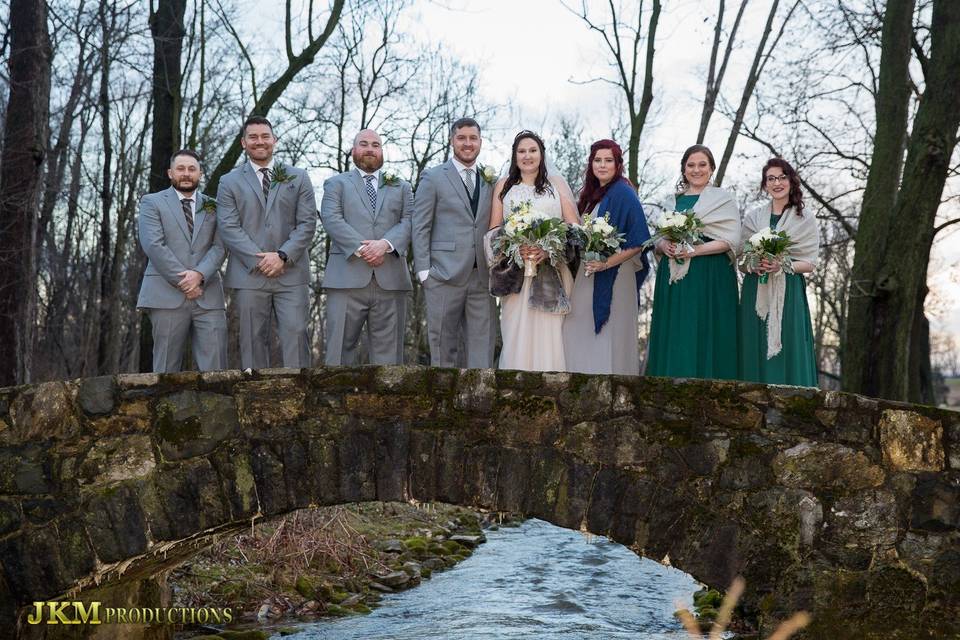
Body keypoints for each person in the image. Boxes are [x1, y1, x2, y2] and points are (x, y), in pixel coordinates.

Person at [216, 115, 318, 370]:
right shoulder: (228, 182)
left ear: (275, 140)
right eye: (253, 137)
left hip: (291, 273)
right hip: (249, 274)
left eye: (265, 136)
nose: (259, 141)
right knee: (251, 339)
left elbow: (307, 224)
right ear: (243, 142)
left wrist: (282, 256)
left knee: (296, 335)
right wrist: (259, 260)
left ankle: (299, 394)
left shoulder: (299, 177)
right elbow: (229, 227)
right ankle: (255, 397)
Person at [645, 144, 740, 379]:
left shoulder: (723, 200)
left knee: (706, 327)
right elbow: (656, 238)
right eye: (691, 165)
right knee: (678, 328)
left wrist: (694, 251)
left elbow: (731, 240)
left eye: (702, 165)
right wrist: (663, 245)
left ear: (711, 168)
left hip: (710, 273)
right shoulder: (671, 201)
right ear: (683, 169)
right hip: (675, 275)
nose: (696, 170)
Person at [319, 129, 413, 365]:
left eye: (376, 145)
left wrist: (385, 245)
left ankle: (386, 402)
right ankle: (336, 400)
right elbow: (332, 219)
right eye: (364, 144)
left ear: (382, 151)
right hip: (346, 278)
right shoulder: (335, 184)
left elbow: (410, 220)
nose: (370, 149)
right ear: (354, 150)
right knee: (340, 351)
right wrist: (363, 250)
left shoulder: (402, 187)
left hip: (390, 279)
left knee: (389, 358)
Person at [488, 130, 579, 372]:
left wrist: (549, 250)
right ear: (514, 156)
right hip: (516, 273)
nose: (527, 156)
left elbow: (575, 230)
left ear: (541, 154)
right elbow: (493, 231)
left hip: (553, 271)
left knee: (551, 335)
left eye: (532, 150)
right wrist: (516, 246)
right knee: (516, 332)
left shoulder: (556, 184)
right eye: (521, 151)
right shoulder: (503, 186)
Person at [412, 117, 497, 368]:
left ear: (480, 142)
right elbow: (420, 225)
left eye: (473, 138)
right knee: (442, 348)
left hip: (482, 276)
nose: (467, 144)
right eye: (461, 138)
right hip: (443, 274)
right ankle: (442, 403)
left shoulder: (491, 180)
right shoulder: (433, 177)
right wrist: (425, 272)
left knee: (483, 347)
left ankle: (478, 404)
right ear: (452, 141)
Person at [562, 140, 650, 375]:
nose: (602, 165)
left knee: (611, 334)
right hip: (589, 270)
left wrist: (606, 263)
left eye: (608, 160)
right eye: (597, 160)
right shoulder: (591, 197)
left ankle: (614, 389)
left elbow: (640, 240)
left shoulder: (623, 192)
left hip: (617, 274)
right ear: (591, 164)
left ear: (617, 164)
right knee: (577, 326)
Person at [136, 149, 227, 372]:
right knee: (166, 368)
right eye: (181, 169)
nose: (186, 174)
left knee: (216, 369)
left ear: (200, 173)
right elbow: (153, 245)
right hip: (165, 294)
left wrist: (199, 275)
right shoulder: (152, 202)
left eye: (192, 169)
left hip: (208, 295)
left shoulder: (215, 206)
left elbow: (221, 246)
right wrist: (185, 281)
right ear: (170, 172)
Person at [738, 158, 819, 386]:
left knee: (788, 341)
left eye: (782, 177)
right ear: (765, 185)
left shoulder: (804, 218)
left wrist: (781, 265)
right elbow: (741, 259)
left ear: (791, 181)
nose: (777, 183)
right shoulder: (753, 218)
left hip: (788, 290)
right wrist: (755, 264)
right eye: (771, 178)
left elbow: (810, 263)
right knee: (756, 343)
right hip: (756, 289)